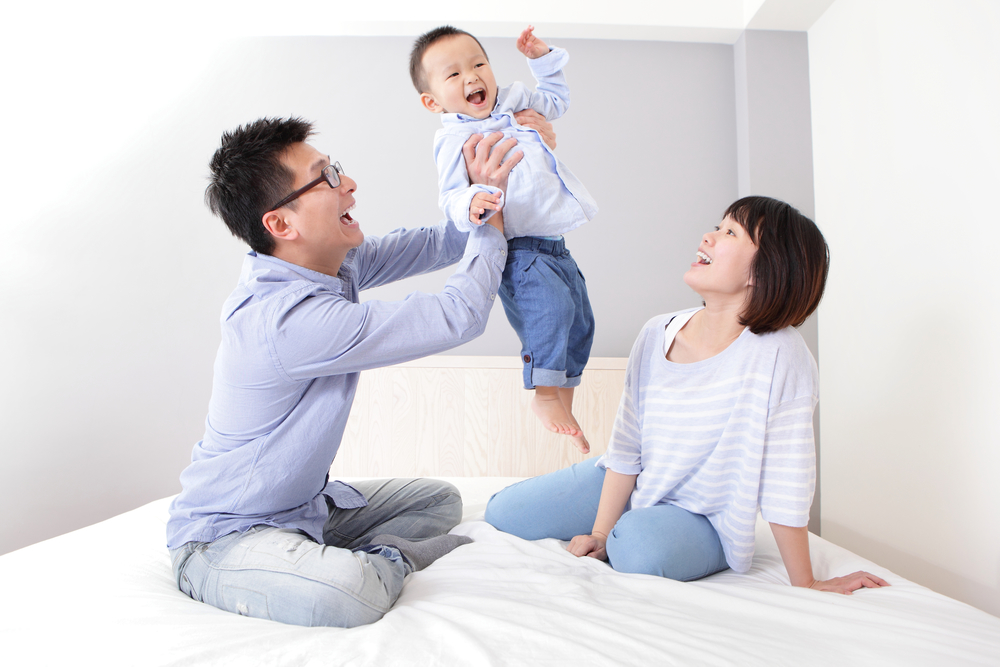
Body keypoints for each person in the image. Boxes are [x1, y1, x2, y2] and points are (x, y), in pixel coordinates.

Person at [166, 114, 554, 628]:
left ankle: (325, 551)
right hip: (225, 536)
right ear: (281, 224)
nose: (347, 184)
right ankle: (380, 561)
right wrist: (495, 230)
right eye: (325, 177)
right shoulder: (286, 320)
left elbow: (432, 244)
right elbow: (455, 315)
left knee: (440, 499)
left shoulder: (325, 267)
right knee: (349, 593)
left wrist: (482, 198)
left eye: (337, 169)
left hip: (305, 511)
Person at [485, 196, 890, 594]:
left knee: (637, 550)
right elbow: (627, 445)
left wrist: (807, 581)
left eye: (730, 232)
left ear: (763, 272)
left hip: (703, 516)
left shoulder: (781, 354)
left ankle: (645, 527)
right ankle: (626, 517)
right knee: (503, 513)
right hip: (632, 480)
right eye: (718, 226)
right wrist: (600, 532)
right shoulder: (657, 331)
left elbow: (788, 476)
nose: (708, 236)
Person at [410, 25, 597, 453]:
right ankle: (545, 395)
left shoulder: (515, 101)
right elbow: (451, 196)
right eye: (453, 74)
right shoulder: (453, 139)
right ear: (432, 100)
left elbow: (557, 100)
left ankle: (563, 398)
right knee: (549, 313)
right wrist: (474, 199)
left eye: (478, 64)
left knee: (579, 321)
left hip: (555, 243)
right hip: (520, 249)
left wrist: (541, 58)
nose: (472, 77)